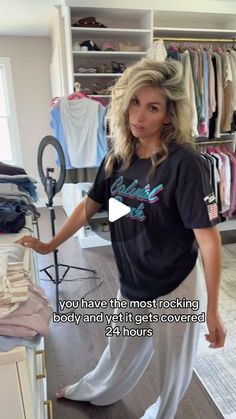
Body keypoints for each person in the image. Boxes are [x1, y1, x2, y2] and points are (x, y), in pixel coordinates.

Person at [17, 59, 226, 419]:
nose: (139, 115)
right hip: (132, 279)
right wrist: (49, 245)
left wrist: (212, 312)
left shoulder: (186, 164)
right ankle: (98, 389)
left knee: (171, 372)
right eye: (134, 102)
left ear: (169, 116)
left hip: (174, 284)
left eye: (153, 107)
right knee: (120, 346)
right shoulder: (118, 157)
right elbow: (89, 204)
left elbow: (208, 240)